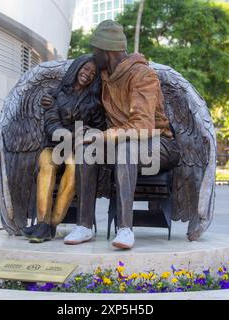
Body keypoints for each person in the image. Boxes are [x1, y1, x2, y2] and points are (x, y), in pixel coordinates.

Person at [63, 20, 180, 249]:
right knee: (87, 150)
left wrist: (103, 136)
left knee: (127, 149)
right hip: (121, 142)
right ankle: (85, 226)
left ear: (107, 52)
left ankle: (125, 229)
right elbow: (75, 88)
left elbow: (143, 126)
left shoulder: (142, 75)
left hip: (159, 143)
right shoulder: (106, 75)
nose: (92, 55)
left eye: (95, 51)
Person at [24, 55, 106, 243]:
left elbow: (99, 130)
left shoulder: (94, 102)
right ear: (77, 68)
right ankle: (42, 222)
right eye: (85, 69)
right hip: (54, 145)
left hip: (78, 150)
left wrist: (85, 135)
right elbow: (51, 125)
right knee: (47, 165)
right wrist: (77, 133)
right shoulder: (55, 94)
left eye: (92, 73)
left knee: (73, 168)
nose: (87, 74)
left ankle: (51, 225)